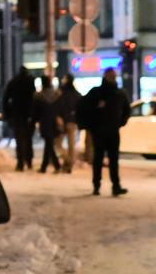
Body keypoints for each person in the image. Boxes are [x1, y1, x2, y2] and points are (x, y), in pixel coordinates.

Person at [78, 68, 130, 196]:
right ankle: (97, 185)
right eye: (110, 75)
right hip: (99, 130)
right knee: (98, 158)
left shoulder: (119, 93)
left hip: (113, 130)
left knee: (113, 159)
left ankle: (116, 185)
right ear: (105, 76)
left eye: (113, 75)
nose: (112, 77)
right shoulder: (97, 92)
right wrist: (95, 111)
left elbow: (127, 110)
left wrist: (121, 122)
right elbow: (83, 106)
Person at [4, 66, 36, 171]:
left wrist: (7, 114)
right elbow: (34, 99)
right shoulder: (30, 82)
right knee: (28, 139)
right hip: (28, 114)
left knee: (19, 139)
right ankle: (29, 161)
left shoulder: (13, 82)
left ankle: (20, 163)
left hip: (17, 114)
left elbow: (6, 99)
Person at [33, 77, 62, 173]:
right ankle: (48, 166)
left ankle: (52, 166)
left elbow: (36, 111)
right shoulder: (57, 94)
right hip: (53, 121)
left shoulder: (39, 96)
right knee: (49, 143)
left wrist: (35, 120)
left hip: (44, 121)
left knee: (48, 143)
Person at [55, 74, 81, 174]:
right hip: (72, 121)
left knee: (58, 144)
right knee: (71, 145)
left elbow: (57, 106)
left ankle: (68, 161)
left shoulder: (61, 93)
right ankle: (69, 163)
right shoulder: (76, 94)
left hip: (62, 120)